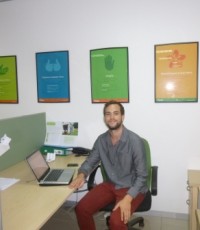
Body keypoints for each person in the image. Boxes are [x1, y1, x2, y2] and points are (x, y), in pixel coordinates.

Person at [69, 100, 148, 230]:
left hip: (132, 187)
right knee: (81, 209)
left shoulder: (135, 141)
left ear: (122, 116)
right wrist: (82, 175)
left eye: (116, 113)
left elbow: (142, 176)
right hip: (110, 184)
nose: (111, 117)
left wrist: (128, 198)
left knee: (116, 222)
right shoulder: (101, 140)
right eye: (108, 114)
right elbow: (91, 161)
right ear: (104, 118)